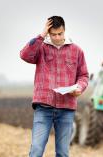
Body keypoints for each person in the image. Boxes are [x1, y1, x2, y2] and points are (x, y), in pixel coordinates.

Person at [20, 16, 89, 157]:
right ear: (48, 32)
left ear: (64, 31)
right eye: (53, 34)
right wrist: (41, 35)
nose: (57, 38)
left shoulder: (77, 51)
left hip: (66, 109)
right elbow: (25, 55)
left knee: (63, 153)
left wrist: (79, 88)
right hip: (43, 108)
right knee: (36, 150)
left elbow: (84, 75)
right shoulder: (41, 47)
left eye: (60, 34)